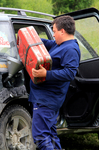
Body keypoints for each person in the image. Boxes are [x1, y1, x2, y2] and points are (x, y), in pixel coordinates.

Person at [29, 15, 81, 150]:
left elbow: (70, 73)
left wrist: (46, 74)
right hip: (45, 99)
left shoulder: (70, 49)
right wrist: (25, 37)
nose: (53, 34)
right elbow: (43, 42)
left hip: (47, 100)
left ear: (62, 31)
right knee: (50, 135)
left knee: (41, 136)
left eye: (54, 31)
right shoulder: (60, 45)